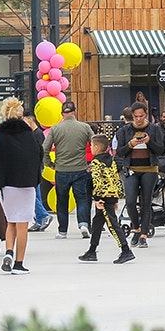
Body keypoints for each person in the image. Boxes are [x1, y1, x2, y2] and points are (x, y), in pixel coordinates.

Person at [0, 97, 42, 275]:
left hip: (7, 186)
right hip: (24, 185)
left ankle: (8, 251)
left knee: (11, 222)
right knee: (23, 224)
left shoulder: (0, 135)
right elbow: (38, 154)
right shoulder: (28, 136)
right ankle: (18, 263)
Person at [114, 101, 164, 249]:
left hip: (149, 168)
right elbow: (120, 152)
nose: (139, 119)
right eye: (136, 116)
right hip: (131, 169)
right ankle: (135, 228)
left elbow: (160, 150)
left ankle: (143, 234)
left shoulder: (154, 129)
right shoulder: (124, 130)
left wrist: (149, 142)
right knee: (130, 201)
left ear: (146, 115)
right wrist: (131, 144)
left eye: (141, 116)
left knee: (146, 202)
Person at [78, 135, 135, 264]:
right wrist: (116, 197)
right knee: (97, 223)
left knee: (112, 224)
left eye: (92, 146)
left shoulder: (96, 163)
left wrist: (97, 198)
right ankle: (92, 251)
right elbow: (116, 179)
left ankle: (126, 250)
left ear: (97, 147)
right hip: (111, 196)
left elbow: (97, 181)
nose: (91, 148)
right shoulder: (112, 161)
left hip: (103, 198)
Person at [43, 100, 95, 239]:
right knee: (82, 198)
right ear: (75, 112)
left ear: (62, 113)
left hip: (61, 170)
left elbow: (44, 149)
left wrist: (50, 164)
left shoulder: (55, 129)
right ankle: (83, 223)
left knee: (62, 200)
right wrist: (93, 163)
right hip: (81, 168)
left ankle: (62, 231)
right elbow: (96, 144)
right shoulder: (84, 127)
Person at [22, 111, 53, 233]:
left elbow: (39, 151)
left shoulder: (38, 134)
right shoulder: (33, 133)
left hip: (35, 166)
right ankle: (39, 220)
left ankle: (43, 215)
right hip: (35, 166)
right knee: (36, 193)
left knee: (31, 193)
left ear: (30, 119)